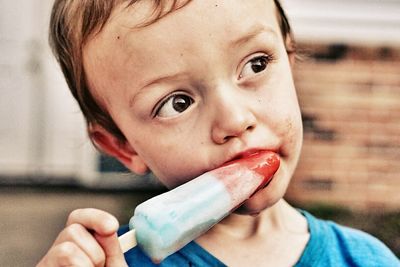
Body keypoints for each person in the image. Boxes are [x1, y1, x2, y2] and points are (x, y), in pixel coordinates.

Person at [38, 0, 399, 266]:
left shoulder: (366, 260)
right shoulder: (113, 262)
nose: (234, 120)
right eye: (177, 103)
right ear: (122, 146)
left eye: (256, 64)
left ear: (289, 62)